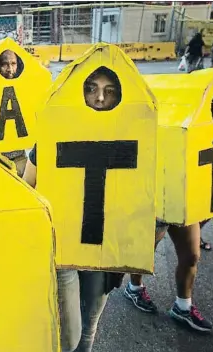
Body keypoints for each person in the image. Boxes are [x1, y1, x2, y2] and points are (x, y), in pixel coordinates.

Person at [22, 67, 125, 352]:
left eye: (109, 90)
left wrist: (128, 256)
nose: (100, 97)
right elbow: (26, 191)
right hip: (62, 249)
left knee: (90, 326)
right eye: (92, 88)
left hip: (102, 250)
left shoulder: (131, 136)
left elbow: (135, 201)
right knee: (69, 336)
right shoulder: (51, 136)